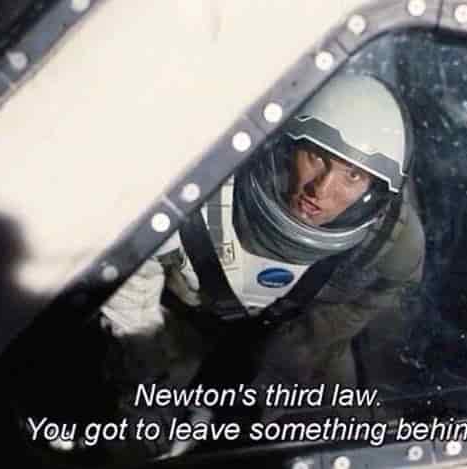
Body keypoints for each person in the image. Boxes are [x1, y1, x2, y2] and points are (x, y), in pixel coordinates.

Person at [98, 72, 426, 458]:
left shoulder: (389, 242)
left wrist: (274, 382)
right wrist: (147, 396)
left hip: (303, 335)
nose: (320, 190)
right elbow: (132, 315)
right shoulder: (190, 198)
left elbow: (359, 307)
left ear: (375, 191)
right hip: (178, 324)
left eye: (352, 176)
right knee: (140, 439)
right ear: (285, 147)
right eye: (316, 156)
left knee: (350, 443)